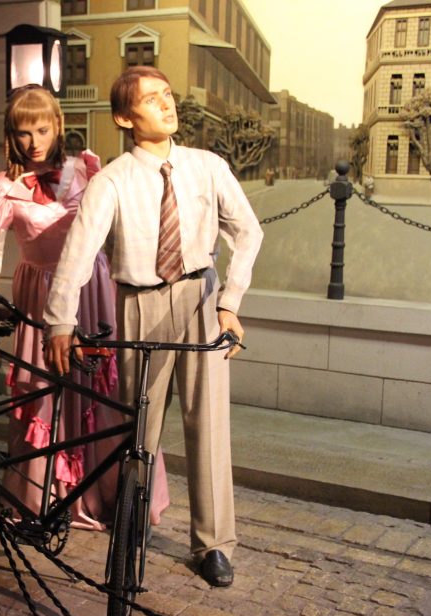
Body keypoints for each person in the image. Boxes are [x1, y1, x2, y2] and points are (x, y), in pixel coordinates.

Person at [43, 66, 264, 587]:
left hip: (202, 299)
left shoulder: (208, 167)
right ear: (125, 117)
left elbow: (248, 232)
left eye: (168, 95)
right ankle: (133, 517)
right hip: (140, 304)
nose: (167, 105)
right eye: (151, 99)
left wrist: (230, 301)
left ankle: (213, 543)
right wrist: (60, 322)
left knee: (208, 424)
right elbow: (78, 253)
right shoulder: (113, 180)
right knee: (139, 425)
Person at [0, 85, 169, 531]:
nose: (33, 141)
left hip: (93, 292)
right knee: (44, 396)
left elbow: (116, 237)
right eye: (23, 133)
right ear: (10, 136)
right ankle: (44, 499)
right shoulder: (2, 189)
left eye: (42, 129)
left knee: (105, 392)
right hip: (39, 299)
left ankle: (113, 495)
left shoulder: (87, 171)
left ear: (58, 125)